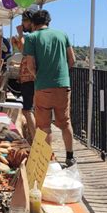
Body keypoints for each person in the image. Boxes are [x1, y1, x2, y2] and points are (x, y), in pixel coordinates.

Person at [23, 10, 76, 166]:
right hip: (63, 85)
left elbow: (30, 64)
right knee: (66, 123)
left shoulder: (31, 38)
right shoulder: (62, 35)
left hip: (43, 86)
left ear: (33, 23)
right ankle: (70, 156)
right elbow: (72, 59)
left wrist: (38, 76)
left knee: (44, 126)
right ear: (48, 22)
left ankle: (47, 160)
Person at [13, 10, 37, 140]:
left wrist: (20, 34)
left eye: (24, 21)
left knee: (28, 110)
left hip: (30, 76)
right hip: (34, 77)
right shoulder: (36, 36)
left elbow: (24, 50)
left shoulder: (32, 37)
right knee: (33, 110)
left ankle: (35, 141)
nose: (22, 23)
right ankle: (35, 139)